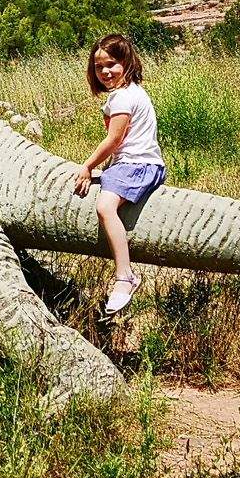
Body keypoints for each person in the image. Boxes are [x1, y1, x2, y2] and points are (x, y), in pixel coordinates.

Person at [73, 33, 166, 315]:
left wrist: (87, 166)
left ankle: (125, 276)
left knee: (104, 206)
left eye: (111, 64)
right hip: (135, 164)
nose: (105, 72)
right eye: (99, 66)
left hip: (138, 166)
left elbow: (114, 140)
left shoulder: (123, 98)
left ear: (127, 63)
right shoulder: (131, 92)